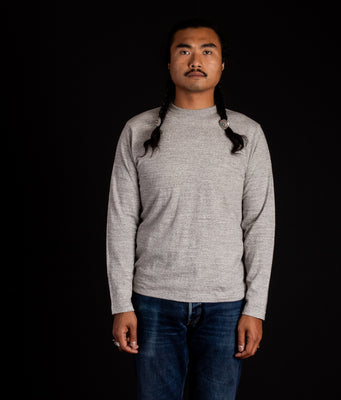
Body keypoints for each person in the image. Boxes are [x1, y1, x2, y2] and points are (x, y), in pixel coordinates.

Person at [106, 18, 276, 400]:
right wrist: (121, 303)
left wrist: (255, 308)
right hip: (152, 301)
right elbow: (121, 219)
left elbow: (260, 224)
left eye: (207, 51)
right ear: (169, 63)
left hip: (226, 305)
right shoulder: (138, 131)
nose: (195, 60)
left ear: (221, 64)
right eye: (184, 50)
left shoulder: (248, 135)